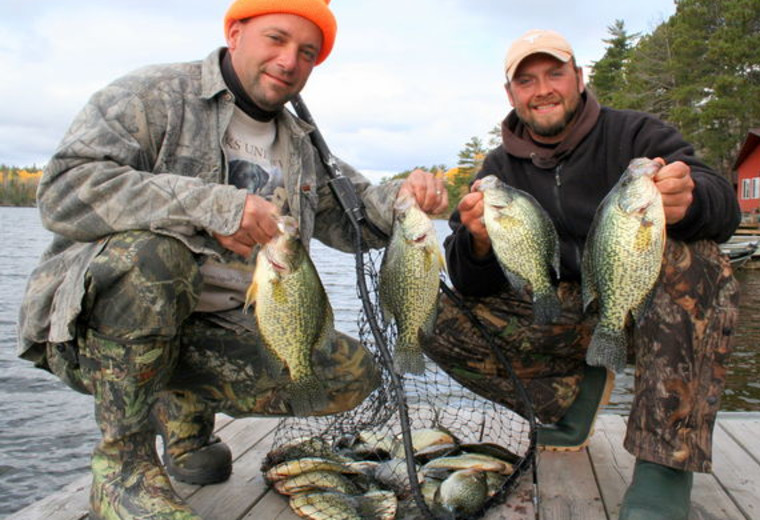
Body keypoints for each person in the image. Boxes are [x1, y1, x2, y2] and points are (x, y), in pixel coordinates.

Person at [16, 1, 448, 519]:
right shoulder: (152, 95)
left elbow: (355, 219)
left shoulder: (300, 143)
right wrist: (216, 205)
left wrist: (405, 195)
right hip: (92, 332)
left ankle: (182, 410)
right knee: (155, 258)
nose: (289, 61)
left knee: (349, 374)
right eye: (276, 39)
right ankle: (123, 462)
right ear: (236, 32)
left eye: (307, 52)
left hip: (221, 325)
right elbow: (63, 190)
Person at [423, 29, 740, 520]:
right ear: (511, 94)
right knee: (424, 311)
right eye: (526, 80)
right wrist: (478, 242)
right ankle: (569, 403)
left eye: (555, 73)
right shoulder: (497, 168)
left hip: (641, 304)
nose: (542, 88)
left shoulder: (637, 135)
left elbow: (723, 205)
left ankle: (664, 465)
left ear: (579, 78)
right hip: (561, 310)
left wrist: (689, 198)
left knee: (698, 260)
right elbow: (471, 285)